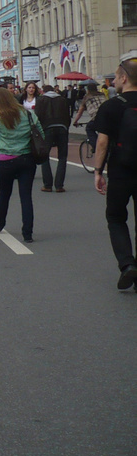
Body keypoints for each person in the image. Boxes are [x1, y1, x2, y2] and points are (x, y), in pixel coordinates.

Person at [92, 53, 137, 291]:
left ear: (123, 77)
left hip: (121, 170)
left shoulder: (112, 106)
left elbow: (102, 142)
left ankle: (127, 264)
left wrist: (98, 171)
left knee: (116, 218)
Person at [0, 88, 43, 244]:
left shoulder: (0, 119)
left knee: (5, 194)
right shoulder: (28, 114)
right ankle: (27, 233)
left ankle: (0, 223)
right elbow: (40, 132)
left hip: (6, 160)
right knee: (26, 196)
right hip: (27, 159)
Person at [34, 84, 71, 193]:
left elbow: (38, 116)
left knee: (45, 156)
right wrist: (66, 127)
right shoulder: (62, 99)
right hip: (62, 128)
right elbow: (67, 115)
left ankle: (47, 185)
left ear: (43, 91)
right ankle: (59, 185)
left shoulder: (41, 100)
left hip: (47, 128)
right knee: (62, 157)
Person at [72, 80, 106, 151]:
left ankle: (97, 147)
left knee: (89, 128)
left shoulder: (87, 97)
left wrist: (75, 121)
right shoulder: (102, 94)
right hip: (108, 116)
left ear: (88, 89)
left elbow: (80, 112)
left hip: (97, 118)